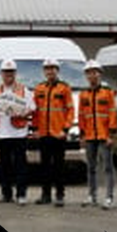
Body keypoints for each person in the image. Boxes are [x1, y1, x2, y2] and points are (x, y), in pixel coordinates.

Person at [0, 59, 35, 206]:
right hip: (2, 133)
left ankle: (21, 194)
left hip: (19, 133)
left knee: (20, 165)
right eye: (6, 72)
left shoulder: (23, 90)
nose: (8, 75)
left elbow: (32, 107)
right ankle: (6, 194)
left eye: (11, 72)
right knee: (5, 166)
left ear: (15, 73)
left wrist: (23, 113)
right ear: (1, 74)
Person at [31, 58, 74, 207]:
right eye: (47, 69)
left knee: (59, 166)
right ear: (44, 71)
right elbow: (35, 111)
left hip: (58, 134)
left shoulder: (64, 88)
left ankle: (60, 195)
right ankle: (45, 195)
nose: (50, 71)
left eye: (53, 68)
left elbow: (70, 110)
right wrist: (35, 129)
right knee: (44, 166)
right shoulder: (39, 88)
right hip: (44, 134)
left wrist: (65, 129)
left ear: (57, 70)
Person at [78, 60, 117, 210]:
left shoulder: (107, 93)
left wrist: (110, 135)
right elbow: (81, 115)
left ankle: (109, 197)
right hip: (89, 136)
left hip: (104, 136)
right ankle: (91, 196)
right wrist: (82, 134)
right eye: (89, 73)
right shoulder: (83, 94)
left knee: (108, 167)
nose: (92, 75)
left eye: (94, 72)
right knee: (91, 167)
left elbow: (112, 114)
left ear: (100, 74)